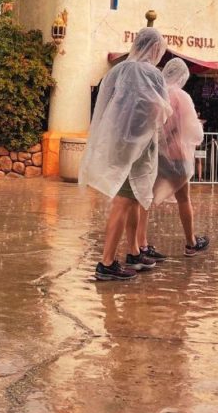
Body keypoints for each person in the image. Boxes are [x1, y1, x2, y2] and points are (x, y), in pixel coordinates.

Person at [80, 27, 170, 281]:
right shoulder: (152, 74)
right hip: (138, 147)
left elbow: (110, 105)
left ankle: (132, 251)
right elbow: (159, 109)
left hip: (118, 143)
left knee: (131, 199)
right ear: (154, 49)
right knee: (123, 202)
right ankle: (106, 262)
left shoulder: (118, 70)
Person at [135, 58, 210, 260]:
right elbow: (193, 130)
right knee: (184, 199)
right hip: (178, 157)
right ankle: (191, 243)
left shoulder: (157, 94)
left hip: (157, 157)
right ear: (182, 76)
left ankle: (140, 243)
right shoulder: (181, 97)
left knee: (146, 200)